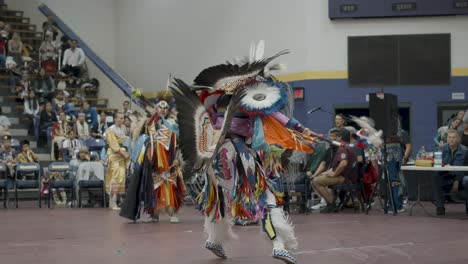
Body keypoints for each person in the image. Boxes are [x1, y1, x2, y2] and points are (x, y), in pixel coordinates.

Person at [156, 48, 314, 264]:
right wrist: (301, 129)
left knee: (219, 197)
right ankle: (278, 244)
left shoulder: (216, 96)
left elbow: (202, 116)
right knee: (266, 197)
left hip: (215, 154)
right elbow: (275, 114)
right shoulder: (247, 96)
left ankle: (214, 239)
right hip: (237, 153)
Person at [122, 100, 184, 223]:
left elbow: (179, 144)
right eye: (160, 108)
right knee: (154, 188)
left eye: (165, 108)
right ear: (156, 109)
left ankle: (172, 214)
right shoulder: (150, 123)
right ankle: (154, 214)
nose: (163, 110)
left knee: (170, 187)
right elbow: (140, 139)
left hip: (169, 162)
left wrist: (178, 158)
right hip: (153, 162)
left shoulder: (173, 123)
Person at [312, 128, 357, 213]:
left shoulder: (342, 147)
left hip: (344, 178)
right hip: (347, 176)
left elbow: (343, 164)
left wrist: (334, 174)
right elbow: (337, 166)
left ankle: (331, 204)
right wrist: (327, 173)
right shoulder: (348, 146)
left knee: (316, 181)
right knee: (322, 177)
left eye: (337, 137)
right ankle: (331, 203)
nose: (335, 139)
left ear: (340, 137)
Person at [431, 129, 467, 215]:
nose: (451, 139)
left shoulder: (465, 150)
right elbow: (437, 163)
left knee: (467, 180)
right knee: (436, 177)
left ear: (458, 139)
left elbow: (464, 168)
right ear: (447, 139)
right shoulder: (442, 149)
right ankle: (440, 207)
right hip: (446, 176)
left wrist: (457, 180)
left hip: (460, 177)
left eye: (454, 137)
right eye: (449, 137)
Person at [105, 112, 130, 210]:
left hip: (122, 156)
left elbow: (125, 142)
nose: (121, 120)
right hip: (114, 155)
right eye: (119, 118)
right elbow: (113, 144)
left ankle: (118, 201)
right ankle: (112, 203)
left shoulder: (123, 129)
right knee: (115, 177)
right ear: (115, 119)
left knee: (121, 177)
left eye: (122, 118)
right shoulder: (110, 130)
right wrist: (124, 153)